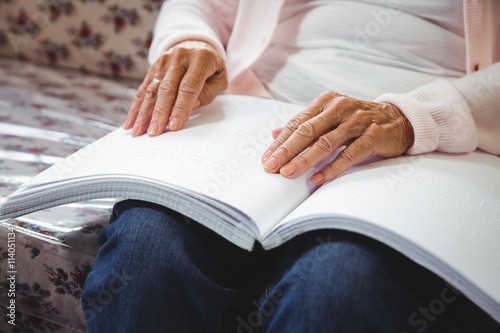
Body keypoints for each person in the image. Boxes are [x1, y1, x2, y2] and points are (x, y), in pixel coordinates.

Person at [82, 0, 500, 332]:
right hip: (253, 117)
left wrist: (418, 118)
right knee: (147, 251)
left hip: (432, 141)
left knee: (338, 287)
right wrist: (190, 40)